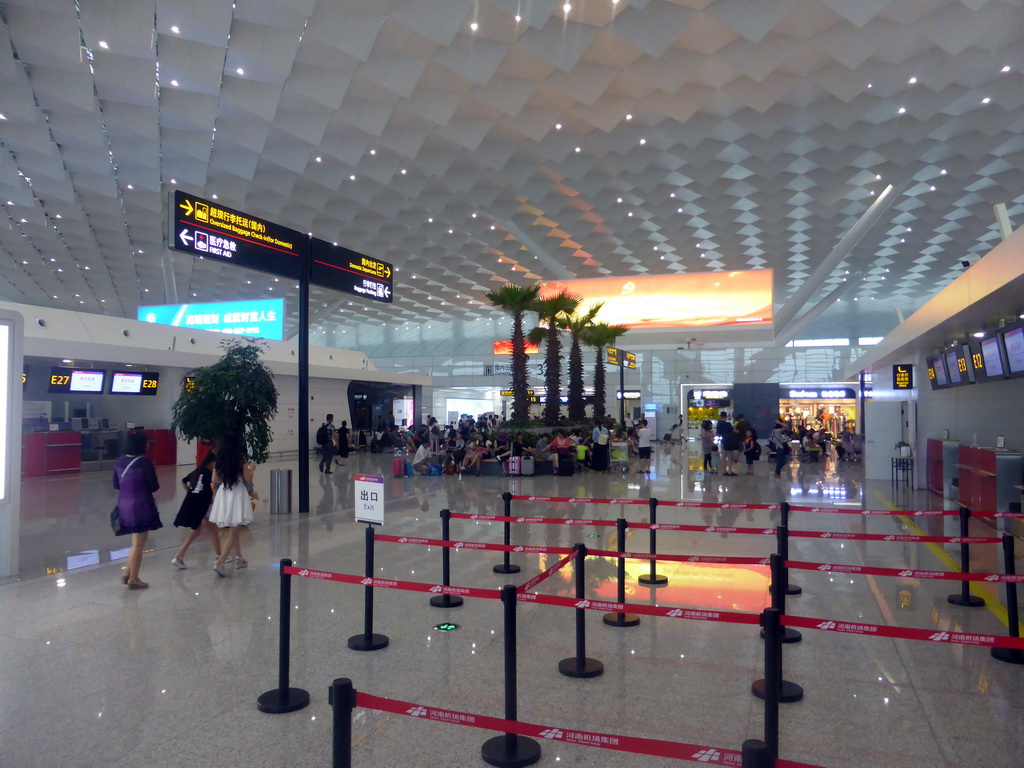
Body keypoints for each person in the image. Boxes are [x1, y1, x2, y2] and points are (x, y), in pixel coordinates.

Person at [113, 431, 162, 589]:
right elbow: (154, 486)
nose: (148, 445)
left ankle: (127, 571)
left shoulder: (120, 461)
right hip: (141, 505)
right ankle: (134, 578)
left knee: (137, 540)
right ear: (140, 445)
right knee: (139, 543)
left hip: (124, 504)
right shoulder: (144, 463)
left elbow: (116, 484)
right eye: (146, 443)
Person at [209, 434, 256, 577]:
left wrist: (218, 496)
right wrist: (252, 468)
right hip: (237, 493)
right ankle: (220, 561)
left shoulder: (219, 462)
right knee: (234, 529)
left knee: (233, 527)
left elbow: (214, 481)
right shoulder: (240, 460)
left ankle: (239, 558)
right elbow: (248, 479)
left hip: (224, 492)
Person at [171, 451, 222, 569]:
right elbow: (212, 487)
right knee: (213, 530)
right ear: (211, 462)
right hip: (204, 505)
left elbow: (183, 481)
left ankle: (179, 556)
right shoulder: (210, 474)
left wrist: (190, 491)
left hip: (193, 502)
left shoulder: (197, 471)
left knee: (196, 531)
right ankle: (219, 556)